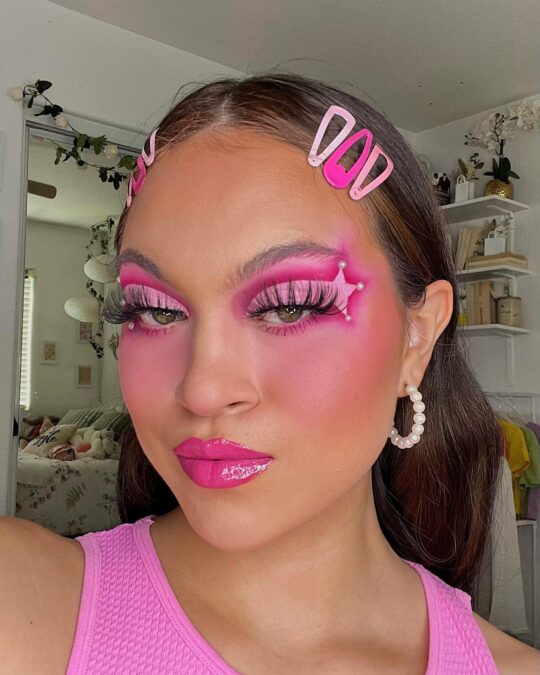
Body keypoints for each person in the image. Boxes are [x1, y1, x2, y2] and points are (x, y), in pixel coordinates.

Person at [1, 72, 539, 674]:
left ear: (416, 338)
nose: (202, 389)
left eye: (290, 305)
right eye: (154, 310)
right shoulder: (20, 607)